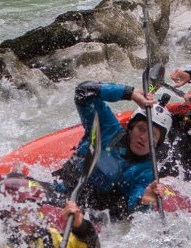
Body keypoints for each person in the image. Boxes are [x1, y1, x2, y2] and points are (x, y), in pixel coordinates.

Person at [51, 80, 172, 220]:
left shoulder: (148, 171)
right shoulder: (108, 128)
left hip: (92, 217)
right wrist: (129, 93)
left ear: (157, 144)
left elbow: (133, 207)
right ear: (131, 127)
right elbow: (82, 93)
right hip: (61, 193)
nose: (144, 137)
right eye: (141, 128)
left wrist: (143, 200)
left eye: (152, 136)